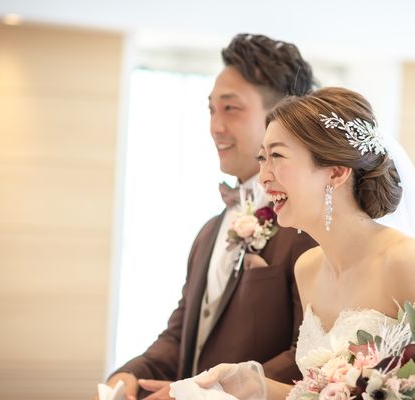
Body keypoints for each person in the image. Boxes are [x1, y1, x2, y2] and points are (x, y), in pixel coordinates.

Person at [172, 87, 415, 399]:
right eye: (262, 158)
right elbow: (318, 393)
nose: (263, 176)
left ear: (336, 172)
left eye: (277, 156)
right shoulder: (307, 268)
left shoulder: (407, 259)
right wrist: (253, 383)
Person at [98, 34, 318, 400]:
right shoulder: (209, 231)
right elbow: (181, 336)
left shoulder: (308, 228)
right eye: (211, 110)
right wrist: (129, 374)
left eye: (230, 108)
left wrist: (201, 391)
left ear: (281, 117)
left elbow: (309, 355)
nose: (215, 126)